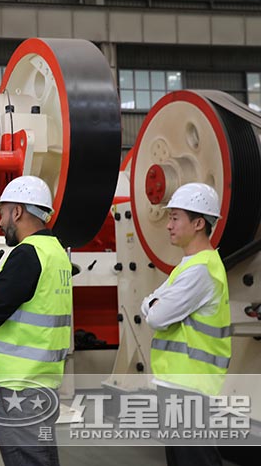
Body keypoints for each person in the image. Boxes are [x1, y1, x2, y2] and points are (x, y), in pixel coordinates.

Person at [0, 175, 71, 466]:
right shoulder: (56, 253)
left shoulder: (26, 255)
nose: (0, 223)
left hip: (18, 389)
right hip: (42, 381)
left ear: (18, 212)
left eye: (3, 212)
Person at [141, 182, 230, 466]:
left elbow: (154, 314)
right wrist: (154, 302)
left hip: (190, 385)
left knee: (196, 458)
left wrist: (153, 303)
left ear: (199, 223)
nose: (168, 225)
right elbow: (153, 303)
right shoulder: (189, 265)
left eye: (175, 217)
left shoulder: (200, 271)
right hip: (179, 382)